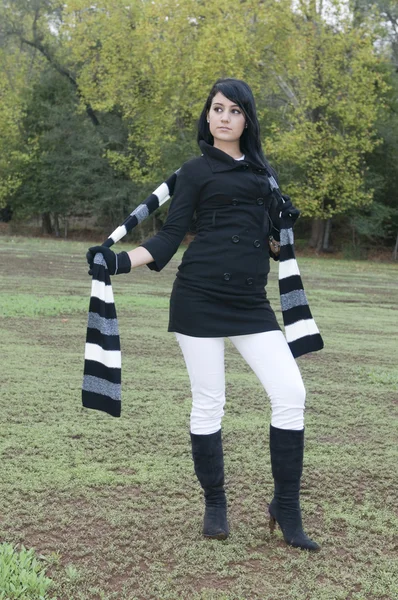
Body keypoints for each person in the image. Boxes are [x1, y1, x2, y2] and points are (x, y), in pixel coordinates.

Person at [87, 78, 320, 552]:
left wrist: (281, 235)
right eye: (217, 108)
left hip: (251, 304)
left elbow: (271, 246)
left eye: (234, 110)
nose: (224, 117)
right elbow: (169, 238)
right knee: (209, 400)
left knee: (291, 392)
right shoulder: (194, 171)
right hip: (197, 298)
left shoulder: (264, 175)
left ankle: (287, 507)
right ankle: (215, 503)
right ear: (207, 116)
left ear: (247, 120)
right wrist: (117, 261)